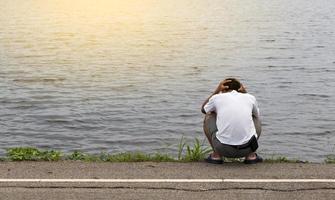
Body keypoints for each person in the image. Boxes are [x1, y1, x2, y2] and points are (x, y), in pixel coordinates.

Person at [201, 78, 262, 164]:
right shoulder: (250, 97)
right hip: (247, 148)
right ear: (239, 89)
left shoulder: (217, 97)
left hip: (222, 149)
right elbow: (257, 115)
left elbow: (203, 109)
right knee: (255, 116)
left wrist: (217, 90)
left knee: (209, 114)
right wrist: (245, 92)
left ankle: (216, 156)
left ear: (223, 89)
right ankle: (251, 156)